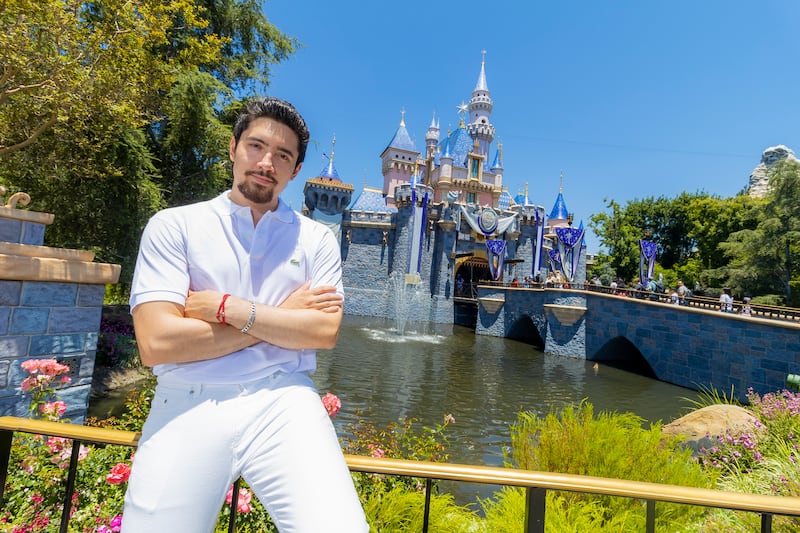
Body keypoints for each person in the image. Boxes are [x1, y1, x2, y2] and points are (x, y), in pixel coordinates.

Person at [121, 97, 369, 532]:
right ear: (234, 148)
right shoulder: (175, 225)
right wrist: (280, 320)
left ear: (295, 171)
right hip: (188, 397)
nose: (266, 162)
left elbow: (324, 331)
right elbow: (157, 342)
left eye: (283, 155)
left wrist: (227, 308)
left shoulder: (316, 240)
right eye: (256, 146)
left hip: (285, 400)